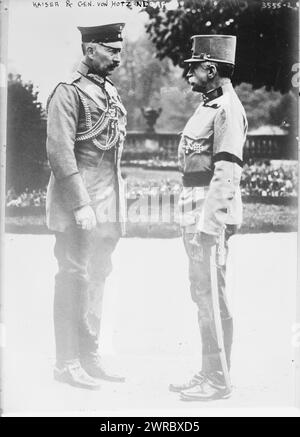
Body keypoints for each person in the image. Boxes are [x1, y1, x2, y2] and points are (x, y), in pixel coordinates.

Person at [46, 23, 127, 390]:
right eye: (111, 49)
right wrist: (81, 204)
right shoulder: (68, 92)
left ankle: (89, 355)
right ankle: (66, 361)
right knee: (72, 276)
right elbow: (61, 152)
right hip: (79, 205)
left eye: (119, 49)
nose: (117, 56)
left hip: (106, 204)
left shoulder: (107, 91)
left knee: (97, 277)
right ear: (90, 49)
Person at [169, 35, 248, 401]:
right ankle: (210, 370)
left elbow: (226, 174)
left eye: (193, 69)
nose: (188, 75)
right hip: (196, 207)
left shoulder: (227, 109)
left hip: (207, 212)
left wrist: (209, 226)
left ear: (211, 70)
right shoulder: (212, 105)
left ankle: (218, 380)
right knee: (202, 293)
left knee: (211, 295)